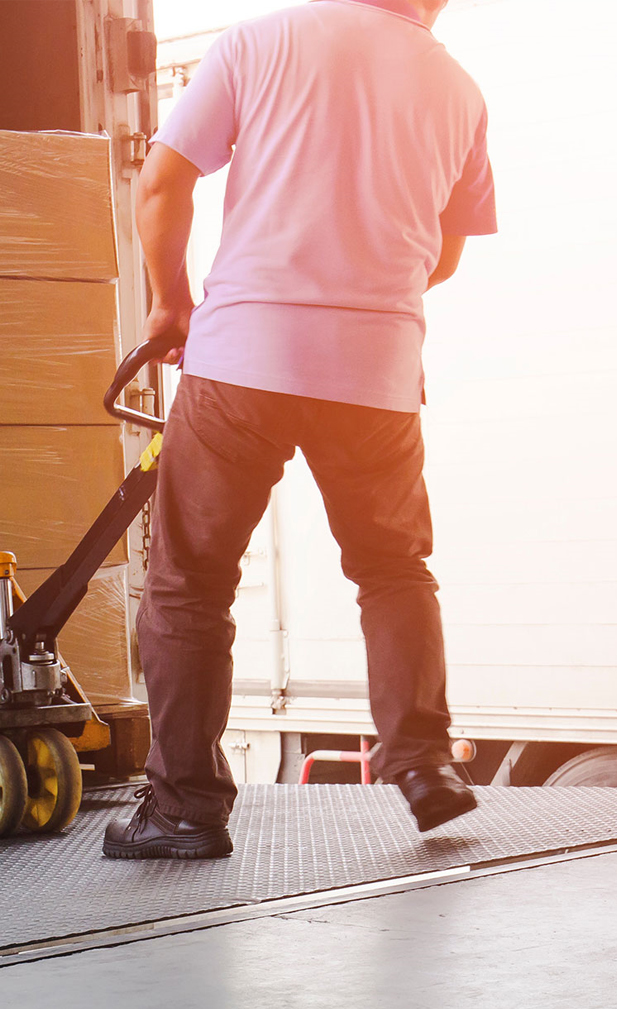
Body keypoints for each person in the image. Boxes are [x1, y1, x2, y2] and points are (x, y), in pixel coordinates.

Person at [101, 0, 497, 859]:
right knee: (395, 570)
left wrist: (173, 303)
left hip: (245, 357)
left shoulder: (261, 40)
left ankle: (184, 811)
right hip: (378, 373)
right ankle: (427, 765)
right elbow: (447, 253)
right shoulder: (458, 90)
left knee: (191, 583)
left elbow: (163, 180)